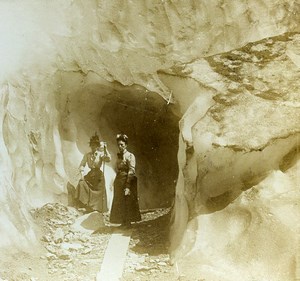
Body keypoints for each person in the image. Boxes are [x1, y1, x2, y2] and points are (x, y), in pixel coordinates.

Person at [67, 133, 111, 213]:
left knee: (98, 192)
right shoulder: (87, 155)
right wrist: (82, 174)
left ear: (97, 146)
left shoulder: (101, 155)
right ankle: (84, 205)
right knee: (81, 183)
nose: (93, 147)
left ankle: (96, 208)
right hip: (90, 175)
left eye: (94, 145)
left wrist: (105, 149)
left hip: (98, 176)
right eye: (92, 145)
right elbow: (82, 165)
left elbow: (108, 159)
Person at [110, 133, 141, 227]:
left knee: (128, 201)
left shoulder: (130, 156)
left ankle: (128, 222)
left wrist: (128, 186)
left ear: (126, 145)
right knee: (120, 201)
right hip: (119, 180)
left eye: (122, 145)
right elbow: (117, 168)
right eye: (118, 145)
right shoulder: (118, 156)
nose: (120, 147)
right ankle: (123, 221)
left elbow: (131, 170)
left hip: (128, 180)